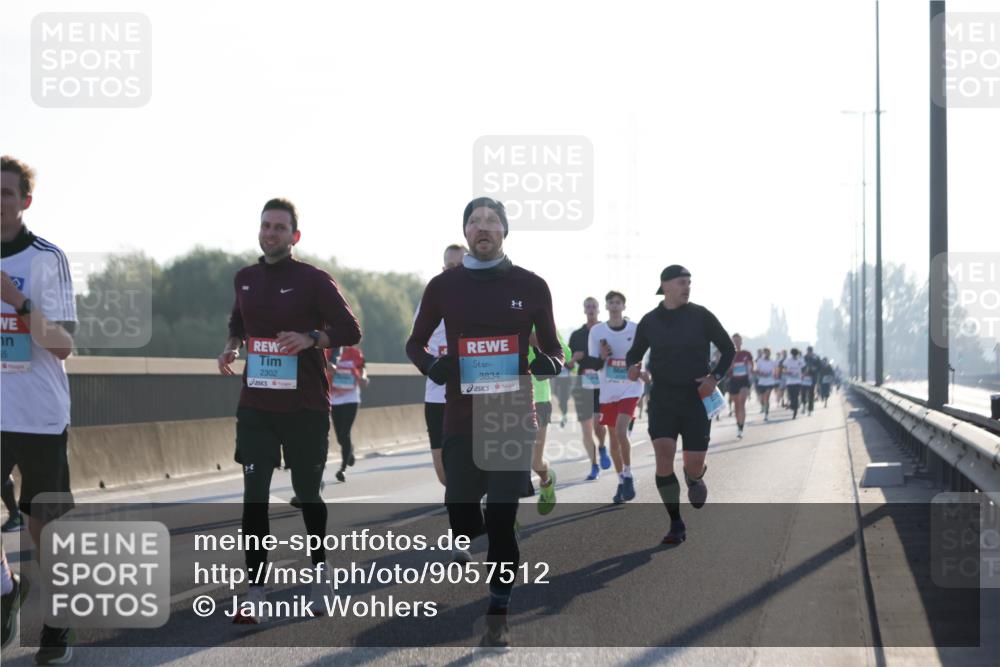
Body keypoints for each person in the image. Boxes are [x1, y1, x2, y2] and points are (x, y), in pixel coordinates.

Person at [406, 197, 564, 649]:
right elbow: (414, 344)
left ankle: (498, 611)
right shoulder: (443, 286)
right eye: (474, 222)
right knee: (460, 512)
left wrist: (548, 363)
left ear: (504, 232)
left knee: (499, 516)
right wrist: (431, 368)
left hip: (511, 416)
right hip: (459, 415)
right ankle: (495, 541)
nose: (483, 227)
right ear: (467, 232)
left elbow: (552, 348)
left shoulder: (532, 286)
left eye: (492, 221)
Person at [218, 197, 361, 623]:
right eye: (266, 225)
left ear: (294, 236)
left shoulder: (314, 279)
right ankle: (256, 592)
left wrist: (312, 337)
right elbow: (237, 325)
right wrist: (231, 347)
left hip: (305, 406)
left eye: (280, 227)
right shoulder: (244, 278)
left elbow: (351, 329)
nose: (270, 232)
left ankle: (320, 572)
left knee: (308, 493)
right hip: (256, 405)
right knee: (253, 499)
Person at [1, 155, 78, 664]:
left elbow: (65, 344)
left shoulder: (45, 259)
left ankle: (58, 622)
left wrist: (16, 302)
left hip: (40, 415)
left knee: (41, 525)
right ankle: (7, 591)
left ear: (25, 202)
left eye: (7, 193)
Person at [626, 265, 734, 545]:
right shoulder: (650, 320)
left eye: (689, 282)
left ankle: (694, 477)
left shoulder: (701, 315)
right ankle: (675, 523)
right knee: (664, 453)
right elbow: (634, 354)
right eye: (681, 282)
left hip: (696, 398)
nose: (687, 286)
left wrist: (715, 378)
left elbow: (728, 348)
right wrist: (632, 366)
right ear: (665, 286)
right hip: (662, 397)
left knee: (694, 462)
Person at [589, 291, 645, 504]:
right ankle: (621, 480)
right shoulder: (596, 332)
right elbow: (592, 363)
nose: (614, 305)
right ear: (606, 306)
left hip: (631, 388)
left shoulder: (635, 329)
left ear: (624, 306)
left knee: (622, 431)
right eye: (610, 302)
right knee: (613, 440)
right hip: (608, 390)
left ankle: (629, 474)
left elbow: (642, 357)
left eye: (618, 302)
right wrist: (602, 357)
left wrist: (644, 373)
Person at [417, 244, 466, 486]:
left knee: (472, 463)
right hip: (436, 394)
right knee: (442, 472)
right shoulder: (431, 300)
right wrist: (430, 363)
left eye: (460, 266)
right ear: (442, 269)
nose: (453, 271)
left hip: (470, 393)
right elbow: (415, 344)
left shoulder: (480, 301)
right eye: (449, 267)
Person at [527, 328, 572, 514]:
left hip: (539, 398)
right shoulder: (500, 316)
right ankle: (507, 524)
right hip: (507, 396)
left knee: (535, 463)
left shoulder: (540, 321)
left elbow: (566, 355)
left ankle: (546, 481)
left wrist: (539, 341)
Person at [568, 297, 611, 480]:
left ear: (599, 310)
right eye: (588, 307)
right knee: (586, 428)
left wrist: (603, 356)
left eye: (594, 306)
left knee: (598, 425)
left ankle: (601, 447)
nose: (591, 309)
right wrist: (573, 359)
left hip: (602, 383)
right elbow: (567, 366)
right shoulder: (576, 335)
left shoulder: (605, 331)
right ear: (584, 310)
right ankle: (594, 465)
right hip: (583, 383)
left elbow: (615, 357)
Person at [330, 345, 369, 482]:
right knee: (340, 437)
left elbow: (362, 368)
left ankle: (342, 469)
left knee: (344, 433)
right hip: (334, 399)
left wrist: (364, 377)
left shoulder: (355, 352)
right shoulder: (330, 351)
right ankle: (350, 450)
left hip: (351, 398)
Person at [727, 334, 754, 439]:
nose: (736, 343)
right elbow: (726, 369)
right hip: (733, 381)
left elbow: (752, 365)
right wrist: (731, 364)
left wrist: (750, 371)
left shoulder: (746, 353)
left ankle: (741, 427)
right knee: (736, 405)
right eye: (734, 341)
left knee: (742, 403)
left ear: (741, 342)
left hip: (744, 381)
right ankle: (738, 425)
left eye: (738, 340)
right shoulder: (729, 354)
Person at [781, 348, 805, 419]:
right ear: (791, 354)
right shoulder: (787, 360)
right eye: (793, 354)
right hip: (790, 381)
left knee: (796, 395)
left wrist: (803, 374)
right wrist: (786, 371)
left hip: (798, 381)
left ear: (797, 354)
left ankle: (795, 410)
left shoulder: (800, 360)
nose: (794, 356)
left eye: (796, 354)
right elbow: (783, 368)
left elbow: (804, 368)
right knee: (791, 396)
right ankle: (793, 406)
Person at [754, 348, 778, 422]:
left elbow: (775, 371)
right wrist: (761, 373)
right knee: (762, 399)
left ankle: (766, 414)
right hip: (761, 382)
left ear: (770, 353)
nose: (767, 354)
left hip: (770, 382)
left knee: (766, 397)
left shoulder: (772, 362)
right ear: (763, 353)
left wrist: (774, 374)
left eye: (768, 353)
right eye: (765, 353)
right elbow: (756, 370)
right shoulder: (759, 361)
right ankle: (763, 407)